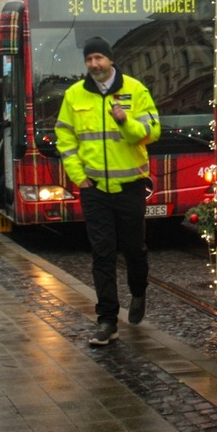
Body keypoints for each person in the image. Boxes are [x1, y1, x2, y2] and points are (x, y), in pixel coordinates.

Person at [55, 36, 160, 346]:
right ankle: (107, 321)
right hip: (95, 189)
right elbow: (64, 137)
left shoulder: (135, 90)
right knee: (102, 253)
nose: (93, 64)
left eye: (99, 58)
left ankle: (138, 291)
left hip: (130, 187)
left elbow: (152, 132)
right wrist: (79, 177)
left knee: (133, 249)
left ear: (111, 60)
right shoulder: (75, 95)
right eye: (89, 59)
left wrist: (125, 122)